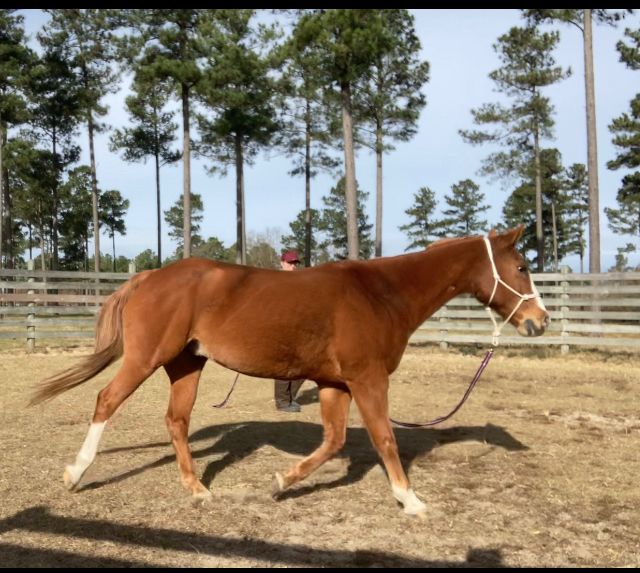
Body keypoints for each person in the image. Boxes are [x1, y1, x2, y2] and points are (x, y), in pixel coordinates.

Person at [274, 250, 305, 412]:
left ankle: (290, 398)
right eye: (289, 263)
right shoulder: (274, 281)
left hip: (297, 329)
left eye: (295, 263)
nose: (292, 266)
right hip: (280, 328)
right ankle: (282, 402)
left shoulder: (299, 283)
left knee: (304, 367)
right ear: (282, 263)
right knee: (284, 366)